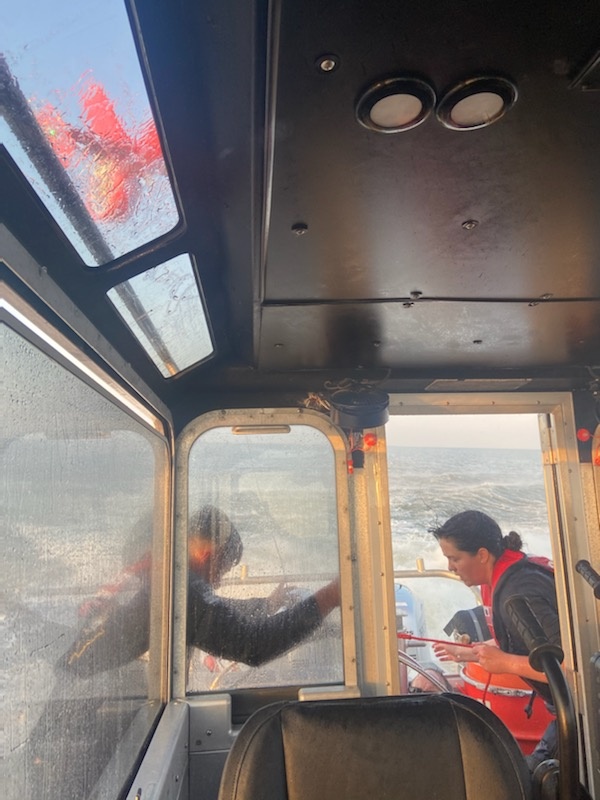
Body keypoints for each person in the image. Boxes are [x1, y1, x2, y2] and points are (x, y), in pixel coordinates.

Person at [60, 505, 341, 676]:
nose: (217, 582)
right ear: (210, 556)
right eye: (222, 570)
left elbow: (210, 609)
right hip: (80, 696)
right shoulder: (181, 589)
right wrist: (330, 596)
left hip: (77, 673)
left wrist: (266, 605)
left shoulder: (157, 567)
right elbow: (253, 645)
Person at [430, 509, 559, 772]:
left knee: (532, 776)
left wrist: (506, 663)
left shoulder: (519, 591)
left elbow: (570, 666)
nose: (450, 568)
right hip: (564, 707)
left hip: (585, 707)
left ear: (482, 555)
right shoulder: (502, 578)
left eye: (455, 558)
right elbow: (522, 639)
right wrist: (470, 653)